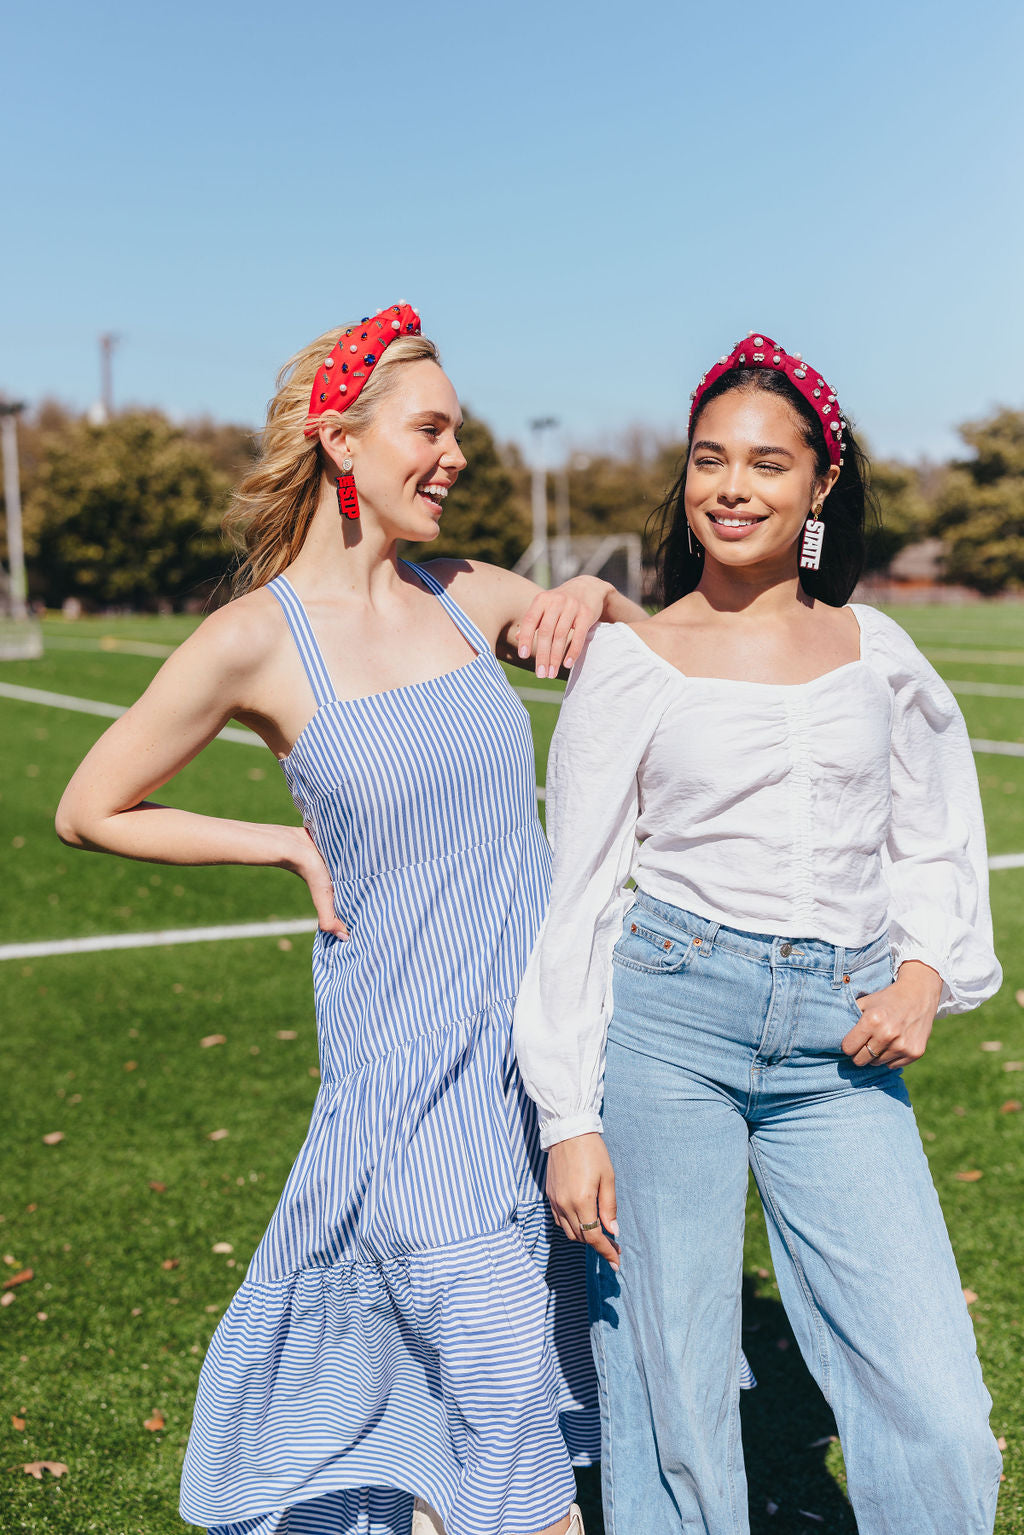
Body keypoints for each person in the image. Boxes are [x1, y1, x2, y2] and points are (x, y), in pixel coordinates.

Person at [56, 303, 645, 1535]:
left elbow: (649, 662)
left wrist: (597, 596)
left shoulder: (467, 590)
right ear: (343, 442)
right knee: (506, 1410)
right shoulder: (252, 641)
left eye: (460, 432)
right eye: (431, 429)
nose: (458, 457)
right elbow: (92, 805)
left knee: (495, 1401)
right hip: (403, 1080)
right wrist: (273, 837)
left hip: (534, 1057)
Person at [514, 333, 1004, 1535]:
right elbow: (574, 892)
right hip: (666, 1028)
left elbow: (934, 827)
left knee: (936, 1403)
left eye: (767, 463)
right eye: (708, 460)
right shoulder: (631, 659)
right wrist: (568, 1116)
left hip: (840, 1045)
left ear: (819, 483)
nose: (733, 486)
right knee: (670, 1388)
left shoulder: (876, 651)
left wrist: (927, 970)